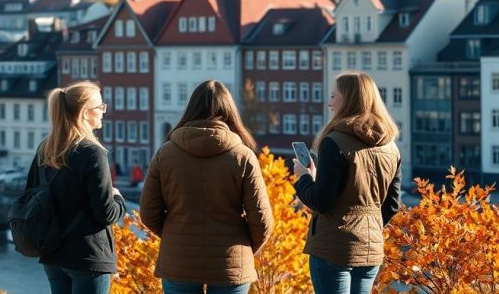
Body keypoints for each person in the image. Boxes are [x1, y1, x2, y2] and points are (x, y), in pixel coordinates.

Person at [140, 80, 274, 294]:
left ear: (191, 109)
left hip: (179, 262)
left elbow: (148, 214)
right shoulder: (243, 156)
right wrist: (244, 250)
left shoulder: (165, 154)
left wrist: (176, 235)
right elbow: (262, 221)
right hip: (230, 263)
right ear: (230, 111)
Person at [293, 72, 402, 294]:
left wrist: (303, 178)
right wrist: (366, 228)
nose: (329, 103)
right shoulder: (391, 147)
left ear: (348, 100)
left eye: (334, 96)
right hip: (370, 250)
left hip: (333, 249)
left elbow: (321, 202)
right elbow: (392, 205)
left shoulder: (334, 142)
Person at [25, 81, 125, 294]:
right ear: (85, 112)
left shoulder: (46, 148)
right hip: (87, 255)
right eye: (100, 106)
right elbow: (106, 213)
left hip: (53, 253)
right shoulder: (92, 152)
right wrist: (118, 199)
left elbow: (30, 196)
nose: (103, 111)